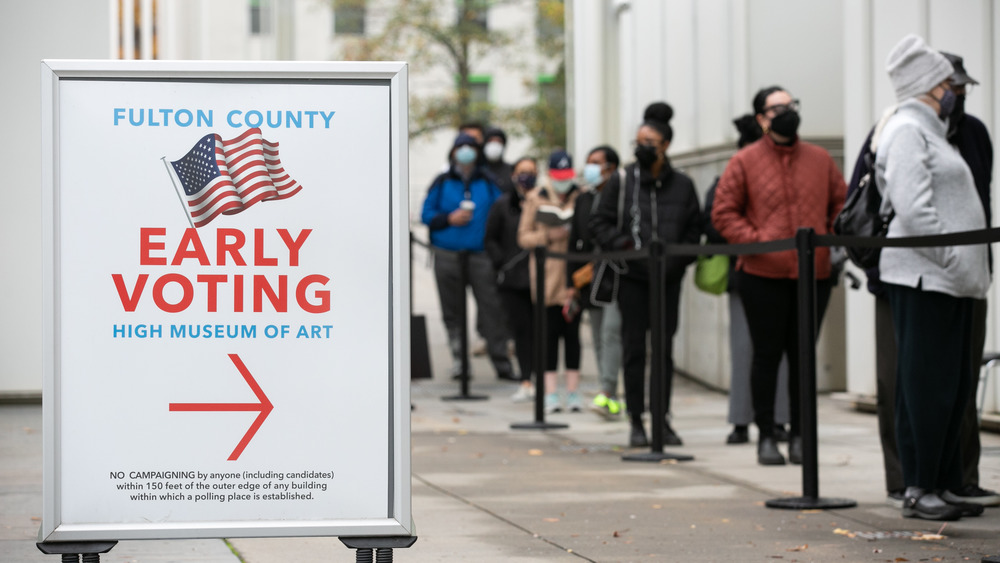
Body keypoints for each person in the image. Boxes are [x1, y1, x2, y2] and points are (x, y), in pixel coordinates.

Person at [859, 50, 1000, 509]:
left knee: (954, 387)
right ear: (929, 86)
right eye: (949, 84)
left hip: (951, 281)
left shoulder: (933, 132)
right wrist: (954, 260)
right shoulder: (906, 129)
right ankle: (919, 486)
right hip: (925, 279)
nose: (954, 92)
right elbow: (915, 211)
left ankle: (942, 483)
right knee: (924, 386)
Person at [712, 87, 845, 466]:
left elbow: (842, 203)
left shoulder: (819, 159)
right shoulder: (744, 161)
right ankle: (766, 435)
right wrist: (758, 242)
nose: (786, 112)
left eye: (790, 105)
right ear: (761, 119)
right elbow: (724, 213)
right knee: (767, 356)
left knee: (804, 356)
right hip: (762, 274)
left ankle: (802, 436)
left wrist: (827, 238)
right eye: (777, 108)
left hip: (813, 273)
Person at [589, 103, 702, 447]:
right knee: (634, 349)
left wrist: (676, 263)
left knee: (664, 351)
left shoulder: (682, 185)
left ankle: (661, 420)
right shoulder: (622, 181)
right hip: (632, 279)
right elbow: (599, 223)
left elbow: (694, 230)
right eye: (638, 140)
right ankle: (636, 420)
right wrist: (626, 247)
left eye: (649, 141)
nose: (642, 146)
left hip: (668, 280)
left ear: (665, 145)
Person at [703, 115, 791, 446]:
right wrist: (752, 239)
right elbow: (714, 219)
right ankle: (742, 420)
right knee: (745, 351)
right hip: (745, 273)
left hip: (779, 271)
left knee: (776, 352)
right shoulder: (733, 173)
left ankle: (778, 419)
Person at [421, 132, 516, 381]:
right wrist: (448, 218)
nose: (465, 151)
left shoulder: (488, 181)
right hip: (447, 255)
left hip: (481, 256)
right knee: (452, 312)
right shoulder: (441, 182)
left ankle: (502, 364)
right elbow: (426, 214)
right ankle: (460, 363)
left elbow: (503, 212)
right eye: (460, 147)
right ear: (453, 152)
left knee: (492, 310)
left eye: (470, 147)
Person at [518, 150, 583, 413]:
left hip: (574, 277)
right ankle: (550, 393)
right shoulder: (536, 198)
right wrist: (548, 236)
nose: (563, 182)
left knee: (573, 336)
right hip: (547, 277)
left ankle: (574, 392)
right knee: (548, 336)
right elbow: (523, 237)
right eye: (558, 177)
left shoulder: (582, 196)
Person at [566, 145, 624, 419]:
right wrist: (572, 281)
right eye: (587, 162)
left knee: (612, 332)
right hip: (590, 278)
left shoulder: (622, 196)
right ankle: (607, 390)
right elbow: (574, 242)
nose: (590, 168)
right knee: (599, 334)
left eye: (596, 163)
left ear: (611, 167)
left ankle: (609, 391)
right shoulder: (583, 199)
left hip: (615, 275)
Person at [485, 157, 538, 402]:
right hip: (512, 280)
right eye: (522, 172)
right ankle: (525, 378)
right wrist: (501, 263)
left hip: (540, 279)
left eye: (531, 172)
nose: (526, 177)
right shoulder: (502, 204)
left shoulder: (542, 203)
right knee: (521, 331)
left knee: (541, 332)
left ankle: (541, 380)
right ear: (514, 175)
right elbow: (491, 238)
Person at [483, 127, 515, 195]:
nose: (494, 145)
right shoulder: (477, 170)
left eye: (499, 141)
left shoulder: (511, 170)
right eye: (490, 141)